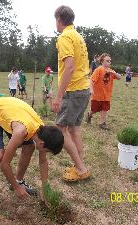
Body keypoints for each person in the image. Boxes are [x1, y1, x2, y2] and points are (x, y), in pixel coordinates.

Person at [0, 97, 64, 214]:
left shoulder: (42, 131)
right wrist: (16, 189)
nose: (45, 153)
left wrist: (45, 188)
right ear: (42, 143)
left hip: (12, 114)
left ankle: (18, 180)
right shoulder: (21, 132)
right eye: (47, 151)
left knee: (29, 147)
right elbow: (5, 164)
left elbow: (43, 162)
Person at [53, 5, 91, 182]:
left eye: (56, 19)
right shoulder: (78, 36)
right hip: (83, 89)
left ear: (59, 19)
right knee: (73, 130)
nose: (56, 23)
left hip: (73, 91)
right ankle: (79, 166)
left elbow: (69, 67)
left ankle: (81, 169)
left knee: (60, 130)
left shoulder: (64, 37)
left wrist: (58, 96)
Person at [86, 53, 122, 130]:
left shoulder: (111, 71)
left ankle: (102, 123)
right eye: (107, 61)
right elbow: (91, 80)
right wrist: (91, 89)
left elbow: (119, 78)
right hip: (97, 95)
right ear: (102, 61)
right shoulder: (98, 70)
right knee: (94, 109)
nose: (109, 62)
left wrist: (114, 73)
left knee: (105, 109)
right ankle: (89, 114)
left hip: (107, 95)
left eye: (110, 61)